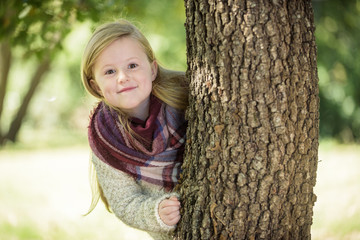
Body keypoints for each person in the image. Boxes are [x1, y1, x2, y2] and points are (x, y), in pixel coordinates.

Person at [80, 19, 188, 240]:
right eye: (110, 71)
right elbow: (125, 201)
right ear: (95, 85)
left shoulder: (184, 96)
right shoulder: (106, 138)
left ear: (153, 69)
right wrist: (155, 212)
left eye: (132, 65)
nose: (123, 77)